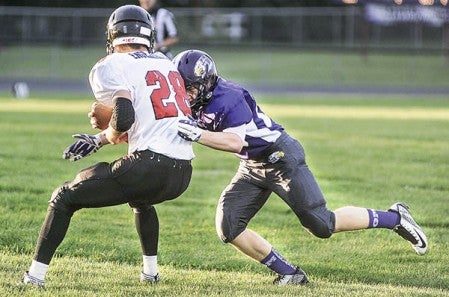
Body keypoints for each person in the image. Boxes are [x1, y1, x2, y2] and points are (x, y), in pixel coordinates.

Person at [173, 50, 428, 286]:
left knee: (322, 225)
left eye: (191, 89)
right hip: (251, 165)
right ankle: (290, 274)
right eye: (182, 89)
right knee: (228, 227)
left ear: (206, 82)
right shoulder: (193, 100)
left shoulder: (231, 97)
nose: (186, 95)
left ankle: (395, 218)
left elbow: (234, 141)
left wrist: (196, 134)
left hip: (281, 157)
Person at [22, 5, 193, 287]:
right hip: (182, 172)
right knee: (141, 200)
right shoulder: (165, 62)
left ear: (113, 35)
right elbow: (150, 119)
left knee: (63, 197)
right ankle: (150, 273)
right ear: (149, 35)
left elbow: (124, 117)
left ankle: (34, 278)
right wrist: (100, 139)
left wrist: (109, 129)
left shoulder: (111, 64)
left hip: (149, 165)